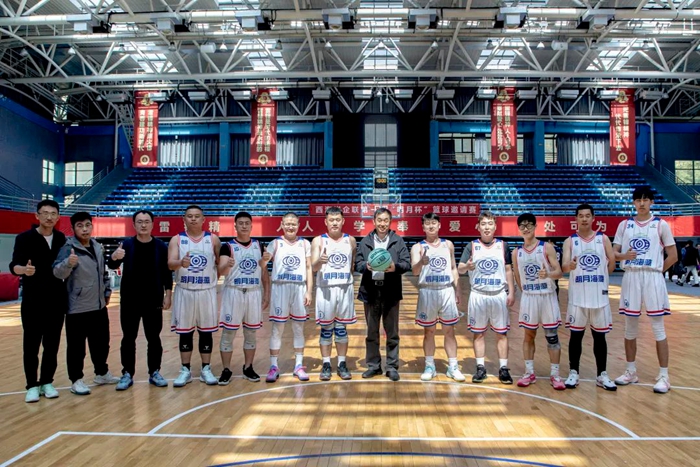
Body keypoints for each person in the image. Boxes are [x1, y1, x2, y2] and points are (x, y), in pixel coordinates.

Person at [613, 187, 677, 394]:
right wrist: (624, 257)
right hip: (631, 275)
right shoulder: (625, 225)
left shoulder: (661, 224)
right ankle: (630, 371)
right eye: (638, 200)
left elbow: (673, 255)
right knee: (629, 327)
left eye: (645, 200)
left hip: (652, 277)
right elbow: (614, 253)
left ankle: (664, 375)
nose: (642, 203)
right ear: (633, 203)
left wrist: (658, 271)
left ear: (652, 202)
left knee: (658, 327)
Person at [53, 212, 119, 395]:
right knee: (77, 348)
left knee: (102, 344)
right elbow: (57, 273)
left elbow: (103, 273)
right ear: (73, 228)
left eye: (88, 225)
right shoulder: (68, 248)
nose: (84, 229)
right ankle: (76, 380)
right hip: (77, 307)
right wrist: (68, 263)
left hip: (98, 306)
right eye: (80, 226)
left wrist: (107, 291)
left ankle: (102, 373)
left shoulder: (97, 246)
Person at [107, 210, 173, 391]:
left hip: (153, 300)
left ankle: (155, 371)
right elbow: (112, 264)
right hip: (130, 300)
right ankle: (127, 373)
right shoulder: (126, 245)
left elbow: (167, 272)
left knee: (154, 338)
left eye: (146, 221)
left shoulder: (160, 246)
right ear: (134, 224)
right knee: (128, 338)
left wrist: (168, 294)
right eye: (139, 222)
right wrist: (114, 257)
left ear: (152, 224)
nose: (143, 225)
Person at [10, 200, 67, 403]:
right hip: (33, 301)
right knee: (31, 345)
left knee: (52, 345)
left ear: (58, 217)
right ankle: (32, 385)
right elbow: (14, 266)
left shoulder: (61, 239)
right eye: (45, 213)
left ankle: (47, 382)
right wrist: (24, 270)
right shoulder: (24, 238)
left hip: (56, 300)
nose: (49, 217)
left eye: (53, 214)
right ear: (37, 215)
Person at [561, 204, 617, 391]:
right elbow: (564, 266)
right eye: (580, 216)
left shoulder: (603, 239)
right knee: (575, 336)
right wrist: (570, 266)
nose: (584, 219)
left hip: (599, 297)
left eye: (587, 215)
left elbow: (612, 263)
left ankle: (602, 374)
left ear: (593, 218)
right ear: (576, 219)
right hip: (578, 297)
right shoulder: (570, 241)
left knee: (600, 337)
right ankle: (573, 372)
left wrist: (603, 278)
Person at [458, 211, 515, 384]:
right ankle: (480, 367)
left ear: (495, 226)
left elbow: (508, 270)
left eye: (490, 223)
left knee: (502, 334)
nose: (487, 227)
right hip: (478, 294)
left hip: (498, 294)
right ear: (478, 226)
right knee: (478, 334)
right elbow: (460, 268)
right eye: (483, 224)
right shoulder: (471, 246)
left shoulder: (503, 246)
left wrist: (512, 291)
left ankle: (503, 368)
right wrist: (467, 267)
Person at [167, 205, 221, 388]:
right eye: (189, 216)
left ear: (203, 219)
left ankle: (206, 368)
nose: (193, 219)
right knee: (185, 332)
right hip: (185, 290)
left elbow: (220, 266)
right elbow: (170, 264)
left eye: (197, 216)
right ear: (184, 219)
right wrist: (180, 262)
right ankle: (185, 369)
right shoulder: (177, 239)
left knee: (206, 331)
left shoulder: (213, 239)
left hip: (207, 290)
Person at [355, 208, 411, 382]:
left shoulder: (398, 241)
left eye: (386, 220)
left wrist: (395, 267)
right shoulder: (365, 241)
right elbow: (357, 264)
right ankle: (373, 366)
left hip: (390, 291)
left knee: (392, 332)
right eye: (379, 220)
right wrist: (365, 266)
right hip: (371, 291)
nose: (382, 223)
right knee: (372, 331)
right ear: (374, 221)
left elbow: (407, 263)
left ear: (390, 222)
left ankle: (392, 367)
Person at [512, 213, 566, 391]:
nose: (526, 228)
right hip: (529, 297)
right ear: (519, 229)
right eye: (522, 225)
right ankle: (529, 373)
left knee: (552, 336)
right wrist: (527, 292)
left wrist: (548, 274)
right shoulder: (516, 252)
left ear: (535, 227)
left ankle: (555, 374)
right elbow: (517, 276)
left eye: (529, 225)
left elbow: (559, 272)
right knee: (528, 336)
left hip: (547, 296)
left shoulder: (547, 247)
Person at [217, 212, 270, 385]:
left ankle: (248, 367)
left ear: (251, 225)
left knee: (251, 333)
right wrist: (227, 265)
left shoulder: (259, 245)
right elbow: (221, 272)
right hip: (234, 292)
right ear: (235, 226)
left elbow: (263, 272)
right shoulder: (227, 247)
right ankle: (226, 369)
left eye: (247, 223)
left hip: (254, 292)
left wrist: (267, 294)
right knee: (228, 333)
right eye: (241, 223)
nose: (244, 226)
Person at [411, 213, 464, 382]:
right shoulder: (417, 247)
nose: (431, 226)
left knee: (449, 331)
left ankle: (453, 366)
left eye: (434, 222)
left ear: (439, 225)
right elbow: (415, 271)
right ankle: (429, 366)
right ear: (423, 227)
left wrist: (457, 290)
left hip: (446, 290)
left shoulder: (448, 245)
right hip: (428, 291)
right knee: (429, 331)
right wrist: (421, 262)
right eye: (427, 223)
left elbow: (454, 268)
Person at [263, 212, 312, 383]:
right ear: (282, 225)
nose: (290, 226)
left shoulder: (305, 243)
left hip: (299, 287)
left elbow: (309, 268)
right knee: (277, 328)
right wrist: (263, 260)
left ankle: (298, 365)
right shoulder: (275, 243)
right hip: (280, 287)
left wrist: (309, 291)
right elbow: (262, 265)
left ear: (298, 225)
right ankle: (273, 366)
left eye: (294, 224)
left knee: (299, 328)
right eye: (287, 224)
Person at [311, 207, 357, 380]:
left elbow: (352, 265)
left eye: (338, 219)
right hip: (326, 289)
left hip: (344, 288)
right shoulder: (318, 240)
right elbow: (313, 268)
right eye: (331, 220)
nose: (335, 223)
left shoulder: (350, 240)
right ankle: (326, 364)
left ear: (343, 221)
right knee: (326, 329)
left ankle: (341, 363)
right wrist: (319, 261)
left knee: (341, 329)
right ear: (326, 222)